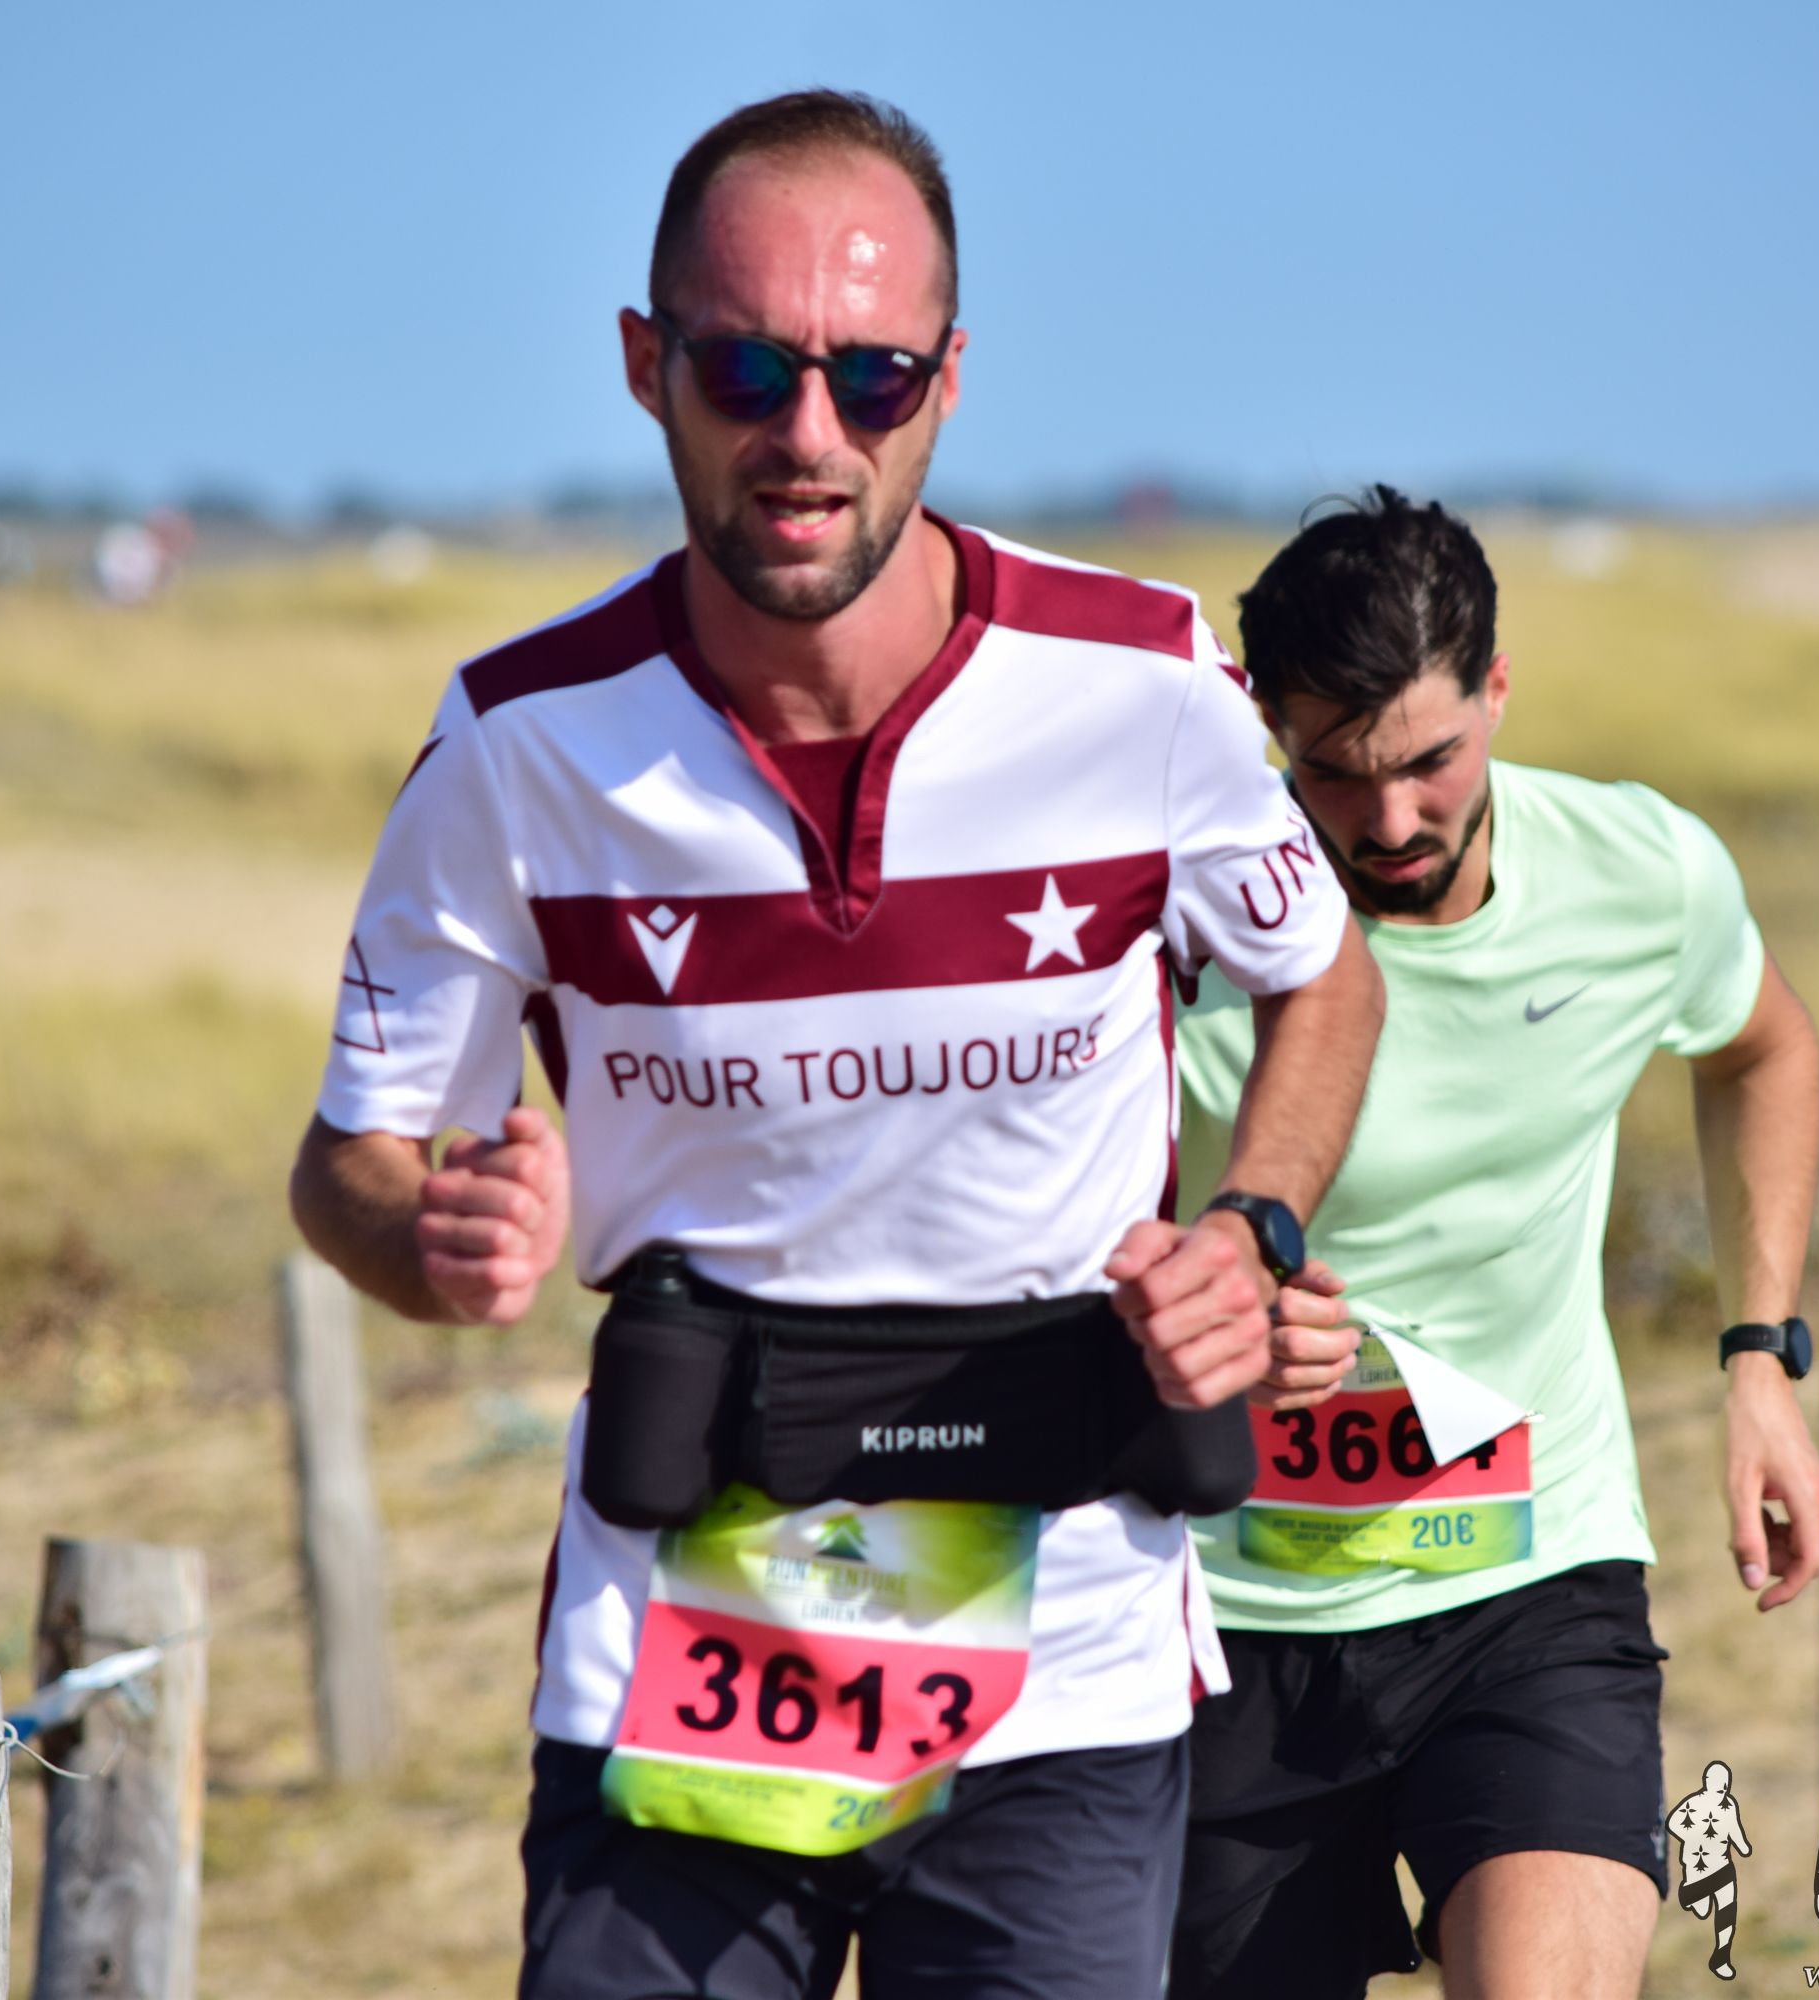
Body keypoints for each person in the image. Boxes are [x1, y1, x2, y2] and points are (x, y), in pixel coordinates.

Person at [286, 91, 1385, 2000]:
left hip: (1066, 1667)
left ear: (948, 381)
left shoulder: (1140, 684)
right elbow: (350, 1165)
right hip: (675, 1661)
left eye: (871, 376)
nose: (808, 435)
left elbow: (1327, 976)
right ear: (645, 367)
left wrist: (1253, 1229)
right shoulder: (516, 748)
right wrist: (429, 1242)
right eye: (745, 368)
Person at [1165, 490, 1819, 2000]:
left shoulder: (1639, 871)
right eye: (1335, 773)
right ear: (1269, 730)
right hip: (1217, 1620)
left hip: (1531, 1584)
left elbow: (1764, 1049)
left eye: (1429, 761)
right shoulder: (1172, 928)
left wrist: (1759, 1358)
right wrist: (1211, 1314)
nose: (1391, 821)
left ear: (1498, 691)